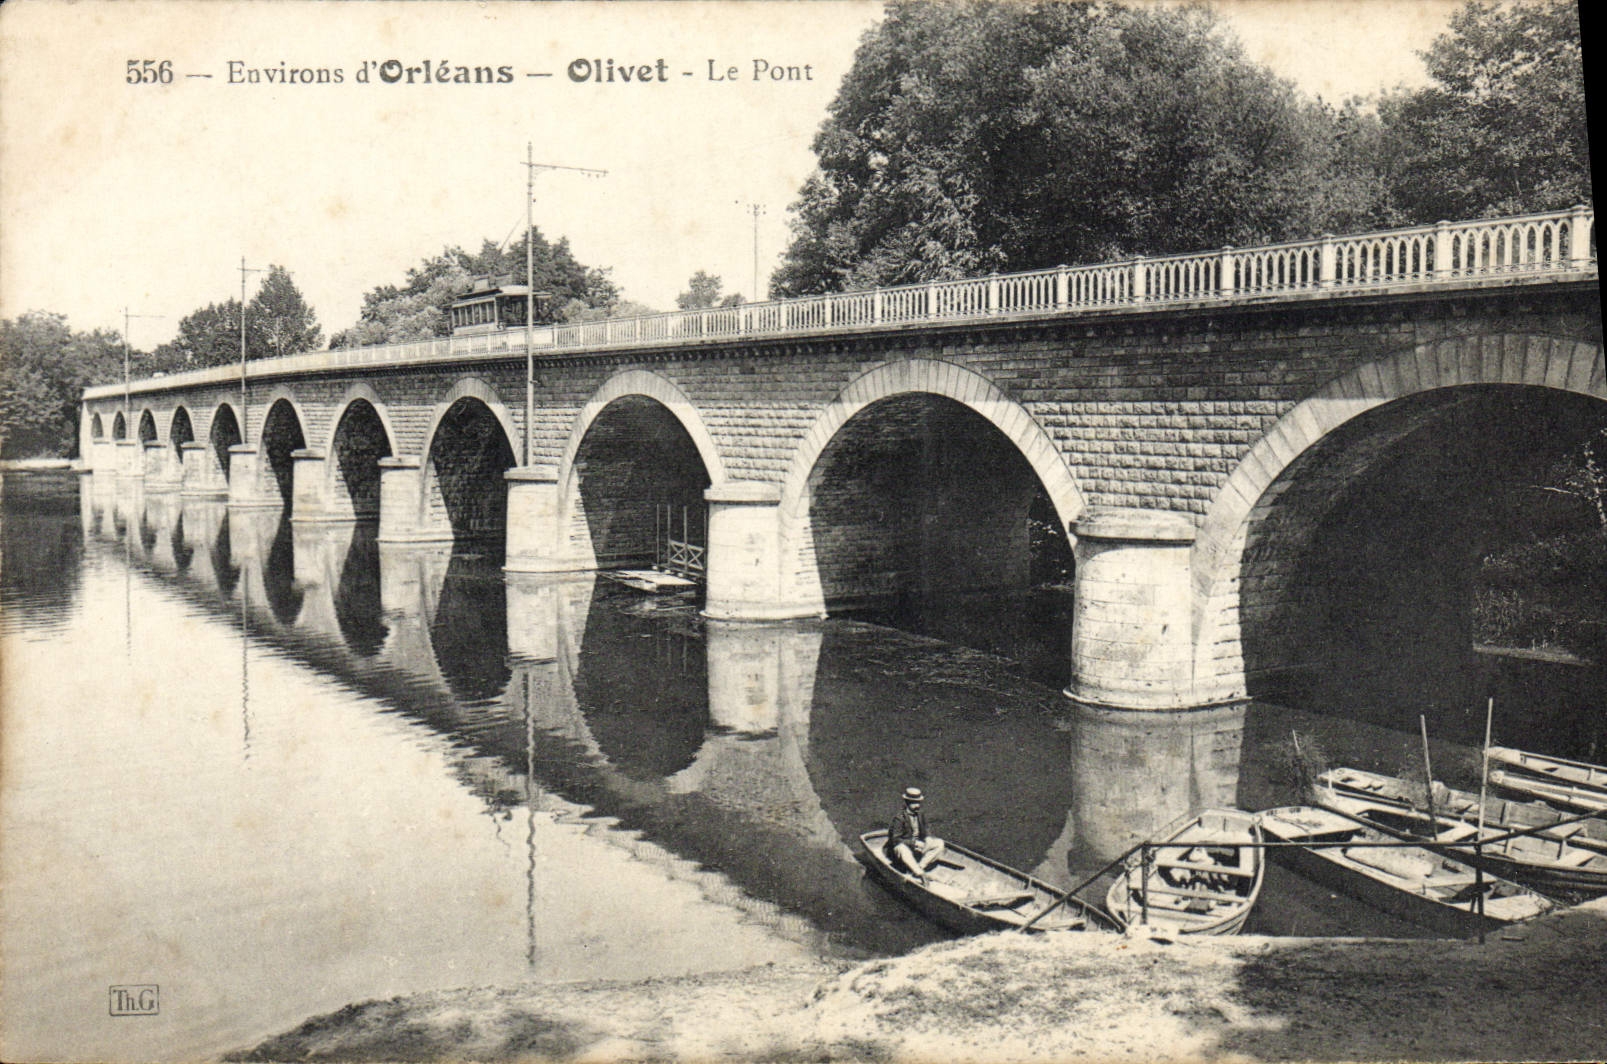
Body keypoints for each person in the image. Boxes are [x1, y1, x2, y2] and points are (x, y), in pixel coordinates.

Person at [886, 786, 946, 883]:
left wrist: (927, 837)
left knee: (939, 843)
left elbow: (926, 828)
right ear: (907, 802)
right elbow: (895, 840)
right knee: (901, 848)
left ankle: (919, 867)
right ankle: (919, 873)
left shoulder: (920, 813)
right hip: (904, 849)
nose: (917, 805)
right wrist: (914, 843)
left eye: (918, 802)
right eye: (914, 803)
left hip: (917, 847)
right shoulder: (899, 818)